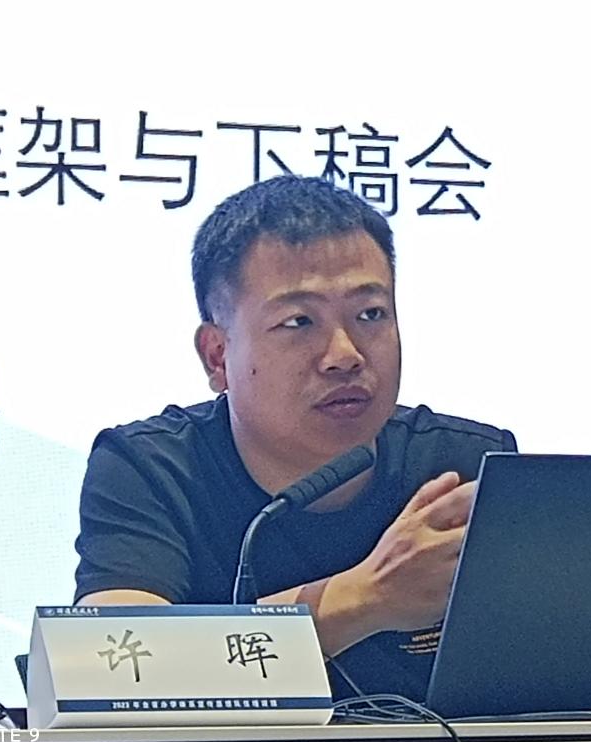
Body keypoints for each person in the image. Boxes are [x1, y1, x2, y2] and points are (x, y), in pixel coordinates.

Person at [74, 175, 516, 699]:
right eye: (299, 321)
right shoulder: (151, 468)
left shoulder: (468, 466)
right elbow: (108, 674)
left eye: (371, 314)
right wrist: (365, 598)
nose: (345, 355)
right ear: (217, 356)